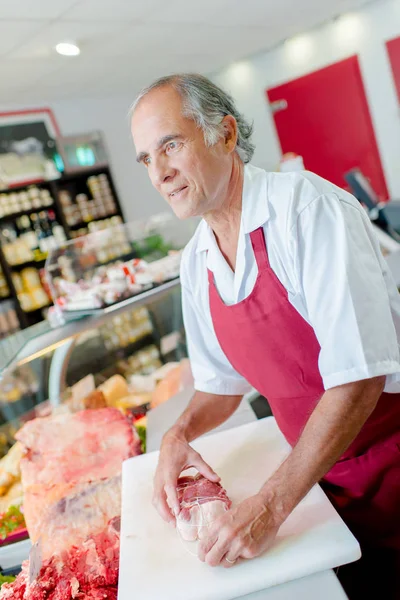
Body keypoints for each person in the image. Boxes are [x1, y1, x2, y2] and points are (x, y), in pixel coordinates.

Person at [130, 74, 400, 599]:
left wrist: (273, 503)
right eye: (145, 158)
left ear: (225, 135)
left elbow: (359, 379)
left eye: (171, 144)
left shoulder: (307, 210)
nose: (159, 172)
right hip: (316, 483)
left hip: (387, 466)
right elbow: (221, 386)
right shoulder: (196, 261)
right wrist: (179, 433)